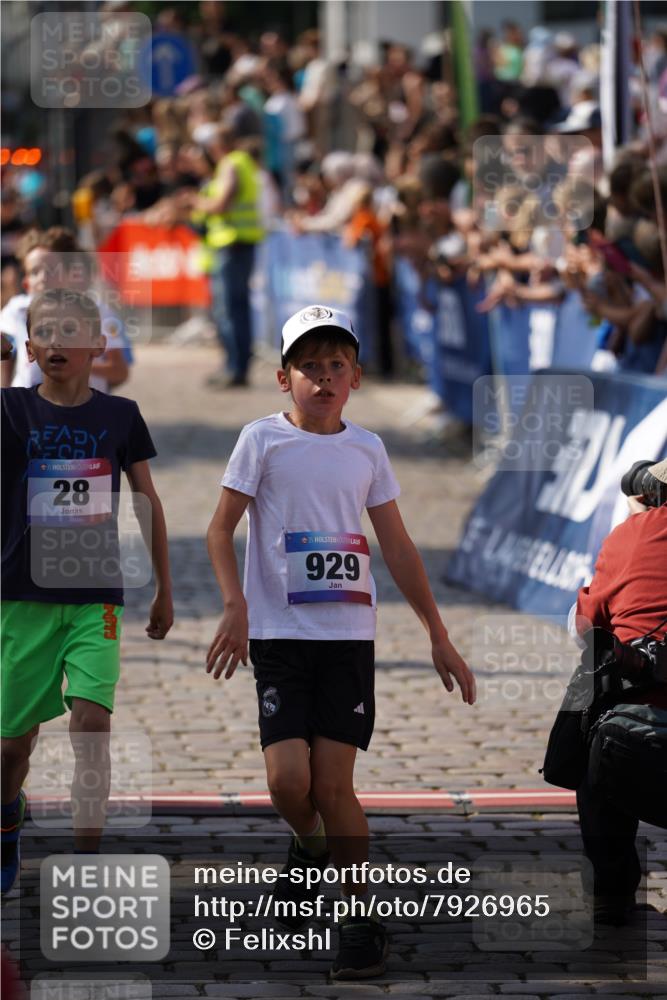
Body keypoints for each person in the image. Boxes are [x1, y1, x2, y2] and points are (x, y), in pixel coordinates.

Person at [205, 304, 475, 979]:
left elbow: (397, 544)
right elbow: (218, 530)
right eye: (308, 367)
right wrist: (234, 606)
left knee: (332, 785)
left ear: (354, 376)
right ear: (282, 378)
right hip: (276, 634)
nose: (322, 378)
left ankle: (357, 915)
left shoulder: (367, 449)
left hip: (348, 637)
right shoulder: (260, 441)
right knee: (285, 782)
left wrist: (437, 634)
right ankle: (310, 846)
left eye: (335, 366)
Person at [1, 288, 173, 895]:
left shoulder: (120, 417)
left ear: (99, 345)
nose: (57, 343)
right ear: (29, 347)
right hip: (20, 598)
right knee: (9, 749)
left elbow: (149, 502)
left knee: (93, 723)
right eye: (44, 333)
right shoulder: (10, 410)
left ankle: (86, 863)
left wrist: (164, 591)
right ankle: (6, 819)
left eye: (72, 332)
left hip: (96, 596)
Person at [572, 458, 667, 924]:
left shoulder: (634, 533)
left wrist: (638, 526)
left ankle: (611, 889)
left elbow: (589, 625)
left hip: (639, 749)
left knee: (592, 691)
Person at [191, 125, 264, 389]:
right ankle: (235, 366)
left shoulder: (231, 163)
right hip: (241, 243)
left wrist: (197, 203)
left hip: (232, 243)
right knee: (237, 309)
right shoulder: (244, 162)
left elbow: (222, 203)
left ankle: (235, 368)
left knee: (229, 310)